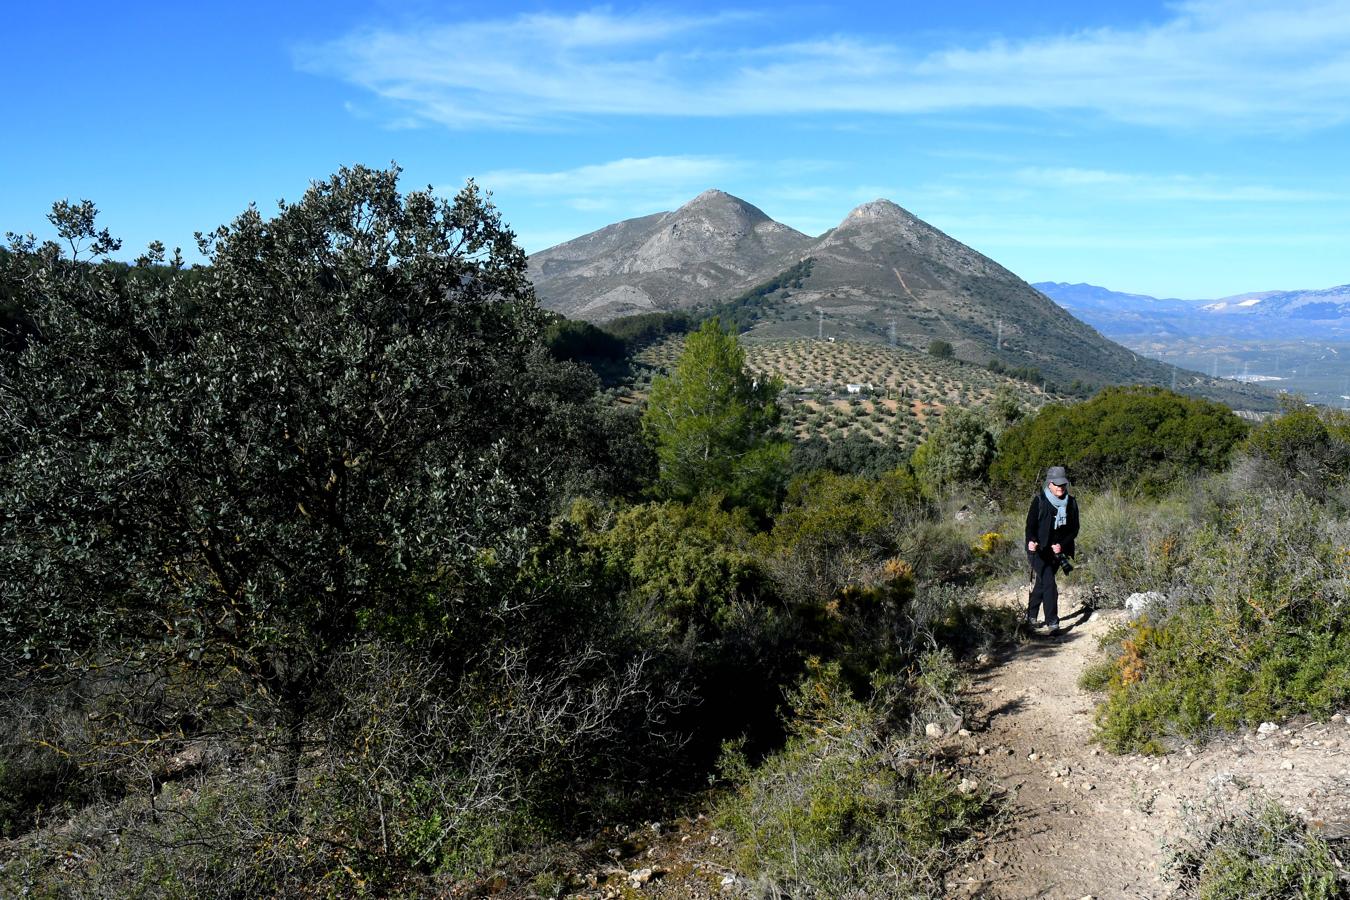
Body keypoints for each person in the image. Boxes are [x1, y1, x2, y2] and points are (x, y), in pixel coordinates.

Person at [1025, 466, 1079, 633]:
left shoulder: (1071, 502)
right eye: (1057, 484)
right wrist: (1032, 541)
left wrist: (1061, 544)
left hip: (1056, 551)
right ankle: (1052, 623)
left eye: (1063, 484)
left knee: (1042, 582)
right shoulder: (1040, 501)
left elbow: (1074, 529)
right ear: (1049, 484)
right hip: (1038, 550)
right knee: (1049, 581)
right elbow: (1030, 526)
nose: (1060, 487)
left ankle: (1031, 616)